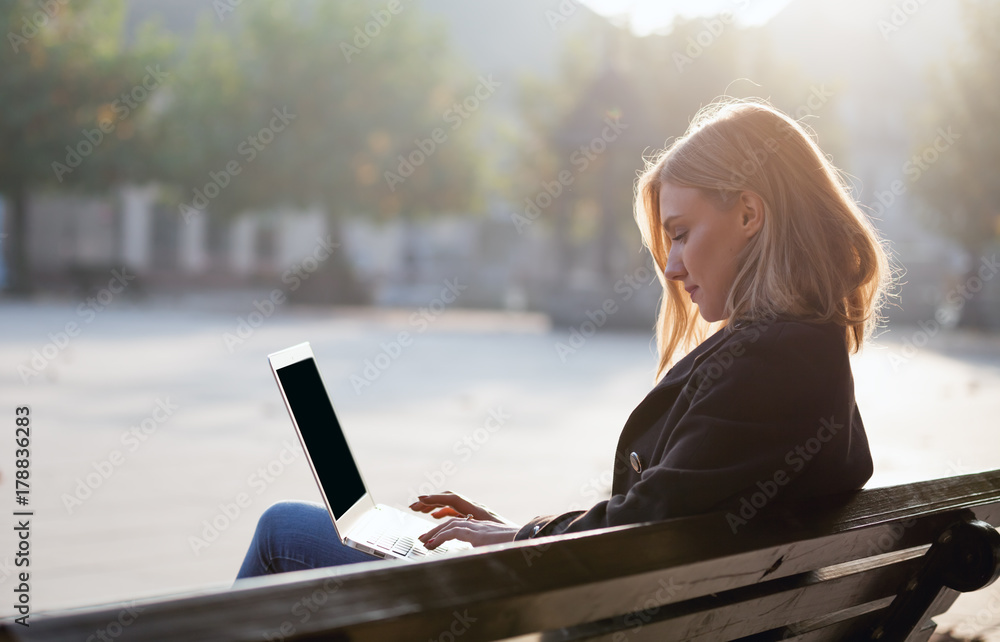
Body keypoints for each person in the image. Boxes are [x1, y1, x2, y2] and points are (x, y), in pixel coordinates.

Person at [235, 97, 890, 579]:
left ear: (749, 213)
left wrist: (515, 539)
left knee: (282, 533)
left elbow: (646, 526)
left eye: (683, 232)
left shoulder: (772, 363)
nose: (672, 265)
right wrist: (512, 533)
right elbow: (668, 515)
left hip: (605, 618)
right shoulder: (809, 350)